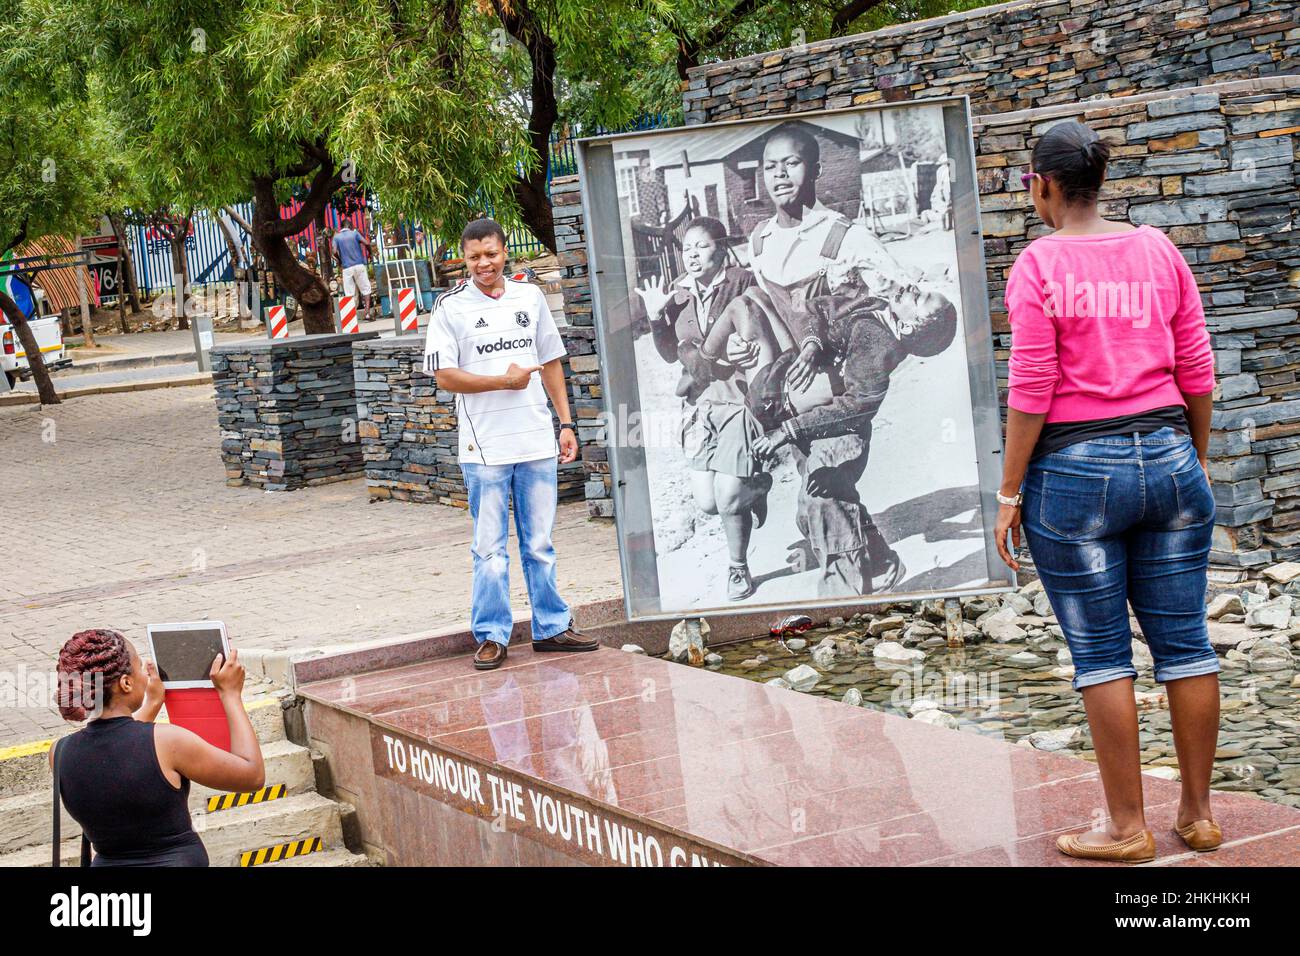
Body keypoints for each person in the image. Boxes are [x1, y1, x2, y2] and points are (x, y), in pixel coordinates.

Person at [993, 119, 1220, 863]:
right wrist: (1196, 460)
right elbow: (1197, 369)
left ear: (1046, 185)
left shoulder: (1039, 264)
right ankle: (1198, 814)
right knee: (1186, 645)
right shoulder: (1157, 249)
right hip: (1170, 458)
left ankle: (1127, 828)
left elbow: (1031, 387)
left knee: (1102, 654)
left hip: (1077, 476)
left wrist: (1009, 491)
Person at [735, 123, 910, 593]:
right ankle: (879, 558)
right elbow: (766, 311)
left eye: (790, 163)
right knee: (820, 487)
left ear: (813, 168)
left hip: (841, 396)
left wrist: (848, 351)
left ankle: (845, 599)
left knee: (822, 488)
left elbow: (900, 312)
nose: (779, 175)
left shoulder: (847, 238)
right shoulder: (760, 243)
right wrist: (745, 347)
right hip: (793, 394)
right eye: (769, 167)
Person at [423, 218, 597, 670]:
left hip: (536, 440)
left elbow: (551, 361)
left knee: (539, 543)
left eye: (492, 254)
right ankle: (492, 635)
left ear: (505, 253)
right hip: (485, 451)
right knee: (490, 549)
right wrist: (503, 381)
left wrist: (565, 423)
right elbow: (445, 376)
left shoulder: (530, 296)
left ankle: (553, 627)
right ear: (464, 259)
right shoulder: (449, 307)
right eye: (475, 256)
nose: (484, 263)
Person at [750, 288, 957, 595]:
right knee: (820, 507)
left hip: (840, 433)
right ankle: (881, 566)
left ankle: (841, 600)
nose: (913, 289)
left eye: (920, 300)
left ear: (908, 326)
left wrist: (789, 430)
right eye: (922, 290)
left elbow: (855, 407)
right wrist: (811, 343)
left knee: (823, 501)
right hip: (815, 418)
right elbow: (818, 308)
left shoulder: (881, 344)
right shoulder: (873, 304)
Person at [634, 217, 785, 600]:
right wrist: (655, 317)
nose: (693, 255)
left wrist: (743, 346)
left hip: (738, 400)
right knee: (707, 502)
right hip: (699, 405)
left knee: (729, 496)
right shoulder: (678, 293)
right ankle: (758, 485)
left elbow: (762, 331)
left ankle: (738, 568)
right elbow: (670, 354)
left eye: (702, 246)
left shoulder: (742, 282)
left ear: (720, 246)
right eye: (687, 248)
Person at [51, 628, 265, 867]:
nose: (146, 674)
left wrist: (153, 702)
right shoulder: (168, 742)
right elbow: (251, 775)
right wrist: (230, 694)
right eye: (140, 667)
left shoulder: (60, 752)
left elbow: (118, 747)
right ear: (126, 683)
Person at [332, 223, 373, 317]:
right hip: (359, 265)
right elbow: (367, 243)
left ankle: (351, 316)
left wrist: (340, 260)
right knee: (366, 289)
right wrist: (370, 254)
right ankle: (367, 313)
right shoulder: (355, 234)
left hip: (347, 268)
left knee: (349, 292)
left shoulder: (337, 237)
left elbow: (334, 251)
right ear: (350, 227)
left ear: (341, 227)